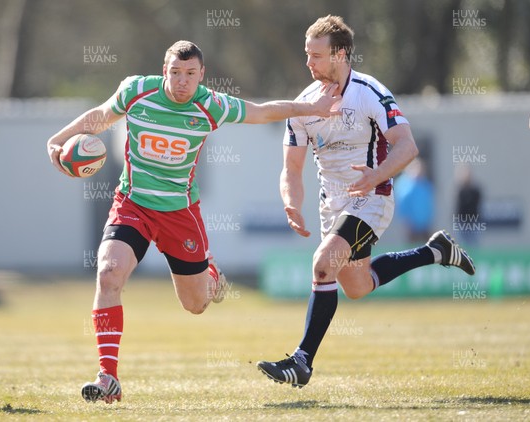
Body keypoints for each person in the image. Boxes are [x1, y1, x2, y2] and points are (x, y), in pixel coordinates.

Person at [47, 40, 341, 403]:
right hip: (133, 204)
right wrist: (59, 140)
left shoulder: (211, 105)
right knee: (108, 273)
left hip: (180, 214)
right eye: (174, 73)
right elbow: (100, 116)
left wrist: (314, 107)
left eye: (189, 74)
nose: (181, 81)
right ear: (164, 69)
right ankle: (108, 377)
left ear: (201, 75)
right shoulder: (137, 90)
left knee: (196, 304)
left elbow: (262, 112)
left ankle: (210, 277)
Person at [257, 15, 476, 388]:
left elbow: (407, 146)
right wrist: (291, 202)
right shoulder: (304, 106)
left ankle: (302, 361)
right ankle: (436, 251)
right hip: (334, 206)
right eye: (306, 54)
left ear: (341, 54)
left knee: (323, 264)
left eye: (316, 55)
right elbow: (291, 169)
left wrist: (375, 175)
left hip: (373, 197)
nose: (308, 63)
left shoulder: (369, 92)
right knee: (357, 286)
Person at [394, 158, 435, 243]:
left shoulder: (425, 184)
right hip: (411, 225)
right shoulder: (404, 184)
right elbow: (402, 205)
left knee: (428, 248)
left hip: (425, 224)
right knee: (412, 251)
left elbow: (429, 204)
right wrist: (406, 221)